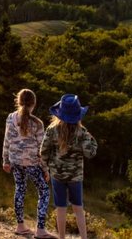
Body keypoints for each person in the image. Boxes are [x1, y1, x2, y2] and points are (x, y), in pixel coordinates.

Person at [40, 94, 98, 239]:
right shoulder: (82, 132)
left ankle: (61, 237)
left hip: (57, 175)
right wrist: (92, 139)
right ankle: (84, 237)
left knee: (61, 208)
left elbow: (43, 152)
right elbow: (90, 153)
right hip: (75, 176)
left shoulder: (51, 130)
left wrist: (46, 168)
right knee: (78, 208)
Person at [2, 89, 55, 238]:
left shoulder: (10, 118)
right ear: (34, 103)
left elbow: (7, 141)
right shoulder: (37, 123)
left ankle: (20, 226)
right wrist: (45, 170)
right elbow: (41, 150)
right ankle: (40, 229)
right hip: (32, 163)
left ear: (18, 101)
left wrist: (6, 160)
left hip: (15, 161)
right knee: (44, 191)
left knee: (20, 189)